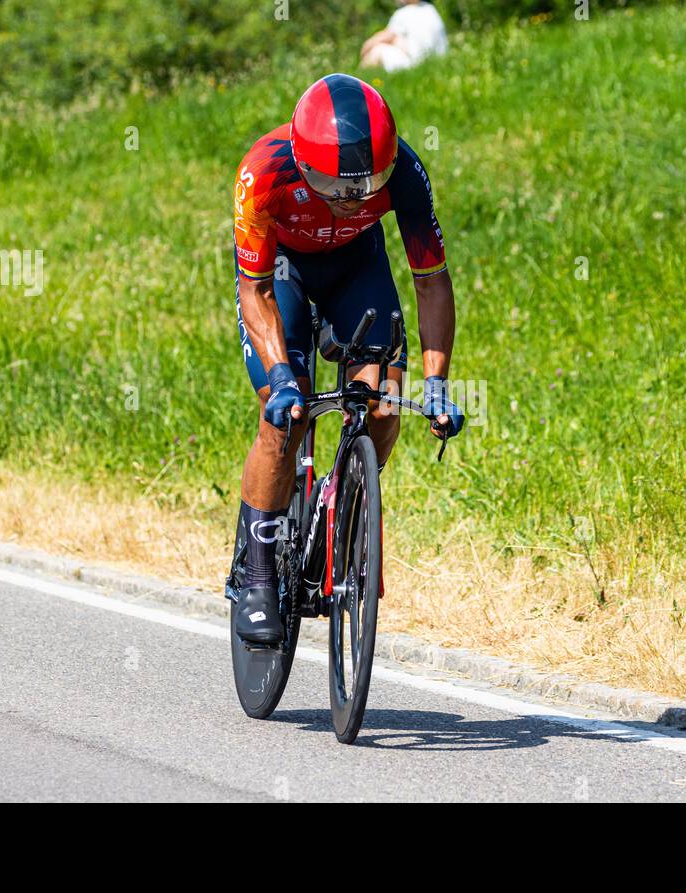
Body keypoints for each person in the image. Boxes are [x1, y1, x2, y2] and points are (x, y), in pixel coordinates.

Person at [231, 73, 465, 644]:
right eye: (337, 186)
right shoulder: (262, 174)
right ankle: (258, 574)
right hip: (282, 270)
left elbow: (432, 281)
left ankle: (352, 495)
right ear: (305, 162)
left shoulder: (405, 171)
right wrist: (284, 377)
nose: (355, 198)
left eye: (366, 186)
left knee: (386, 402)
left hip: (356, 264)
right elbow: (253, 290)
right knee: (283, 418)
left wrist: (436, 384)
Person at [360, 0, 449, 73]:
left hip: (415, 66)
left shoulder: (404, 13)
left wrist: (366, 46)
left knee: (377, 50)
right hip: (437, 65)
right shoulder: (431, 10)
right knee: (398, 40)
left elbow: (385, 36)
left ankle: (358, 84)